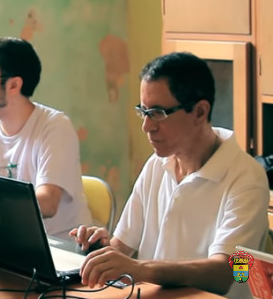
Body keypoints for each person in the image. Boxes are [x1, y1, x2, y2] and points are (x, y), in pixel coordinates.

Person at [70, 52, 268, 297]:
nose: (147, 126)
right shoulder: (157, 164)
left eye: (158, 113)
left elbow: (226, 272)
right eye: (143, 112)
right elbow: (122, 247)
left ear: (199, 112)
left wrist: (142, 269)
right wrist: (101, 250)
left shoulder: (246, 178)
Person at [0, 37, 92, 237]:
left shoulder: (55, 127)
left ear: (14, 85)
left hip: (60, 251)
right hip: (6, 244)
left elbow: (47, 203)